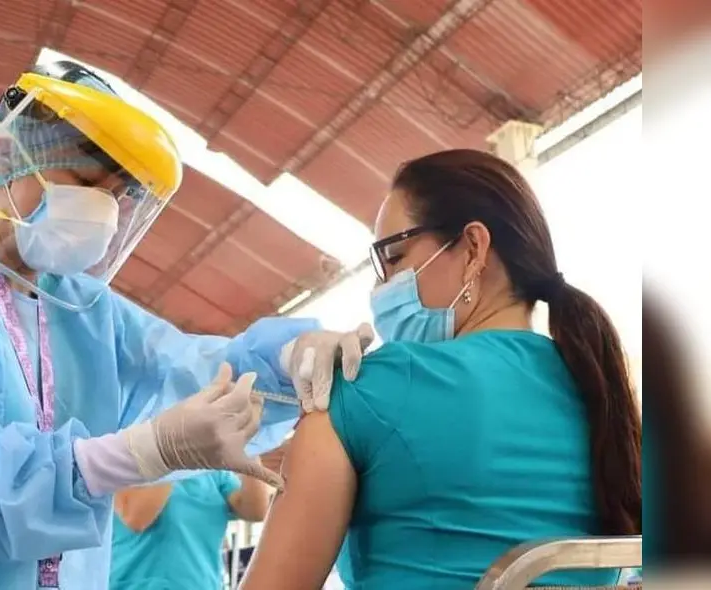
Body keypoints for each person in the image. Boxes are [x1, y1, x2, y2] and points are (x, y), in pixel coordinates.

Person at [0, 61, 374, 590]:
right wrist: (140, 452)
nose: (104, 213)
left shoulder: (82, 310)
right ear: (8, 157)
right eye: (86, 184)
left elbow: (195, 370)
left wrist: (291, 359)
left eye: (116, 196)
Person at [239, 149, 642, 589]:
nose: (380, 287)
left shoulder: (366, 388)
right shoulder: (602, 395)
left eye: (392, 258)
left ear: (473, 248)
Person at [108, 471, 270, 589]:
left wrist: (252, 448)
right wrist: (177, 454)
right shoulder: (129, 461)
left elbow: (257, 511)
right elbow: (137, 517)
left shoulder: (213, 472)